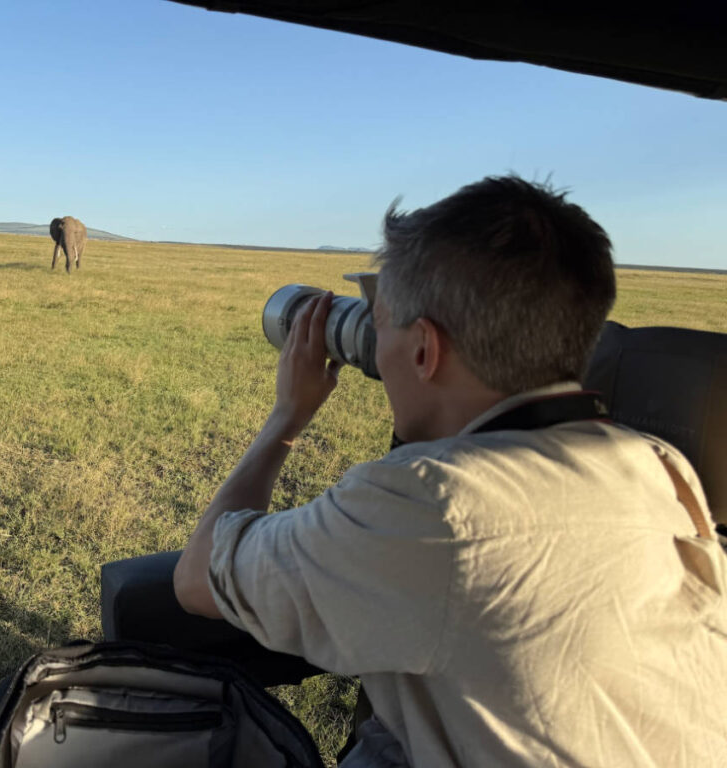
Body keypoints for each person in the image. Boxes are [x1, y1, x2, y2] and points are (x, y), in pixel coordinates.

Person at [172, 176, 727, 767]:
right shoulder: (658, 467)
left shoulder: (429, 504)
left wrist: (288, 414)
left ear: (422, 351)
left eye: (378, 326)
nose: (371, 351)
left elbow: (196, 577)